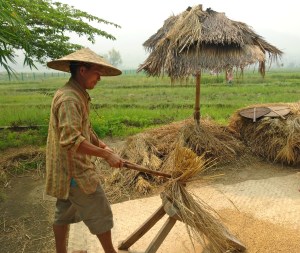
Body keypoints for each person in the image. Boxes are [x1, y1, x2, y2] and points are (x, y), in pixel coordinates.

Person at [45, 47, 124, 253]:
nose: (99, 78)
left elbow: (84, 130)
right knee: (100, 209)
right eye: (97, 72)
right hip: (74, 171)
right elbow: (71, 140)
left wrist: (102, 145)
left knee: (63, 212)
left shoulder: (77, 94)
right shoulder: (70, 99)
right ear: (82, 70)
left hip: (65, 170)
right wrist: (106, 155)